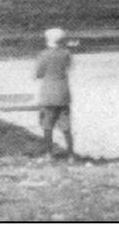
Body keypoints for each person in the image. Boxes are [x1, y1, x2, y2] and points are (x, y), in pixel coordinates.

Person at [35, 27, 75, 160]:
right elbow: (69, 67)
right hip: (63, 92)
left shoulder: (43, 54)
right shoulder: (66, 53)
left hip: (48, 92)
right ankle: (70, 154)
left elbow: (38, 73)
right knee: (66, 126)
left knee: (47, 125)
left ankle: (49, 153)